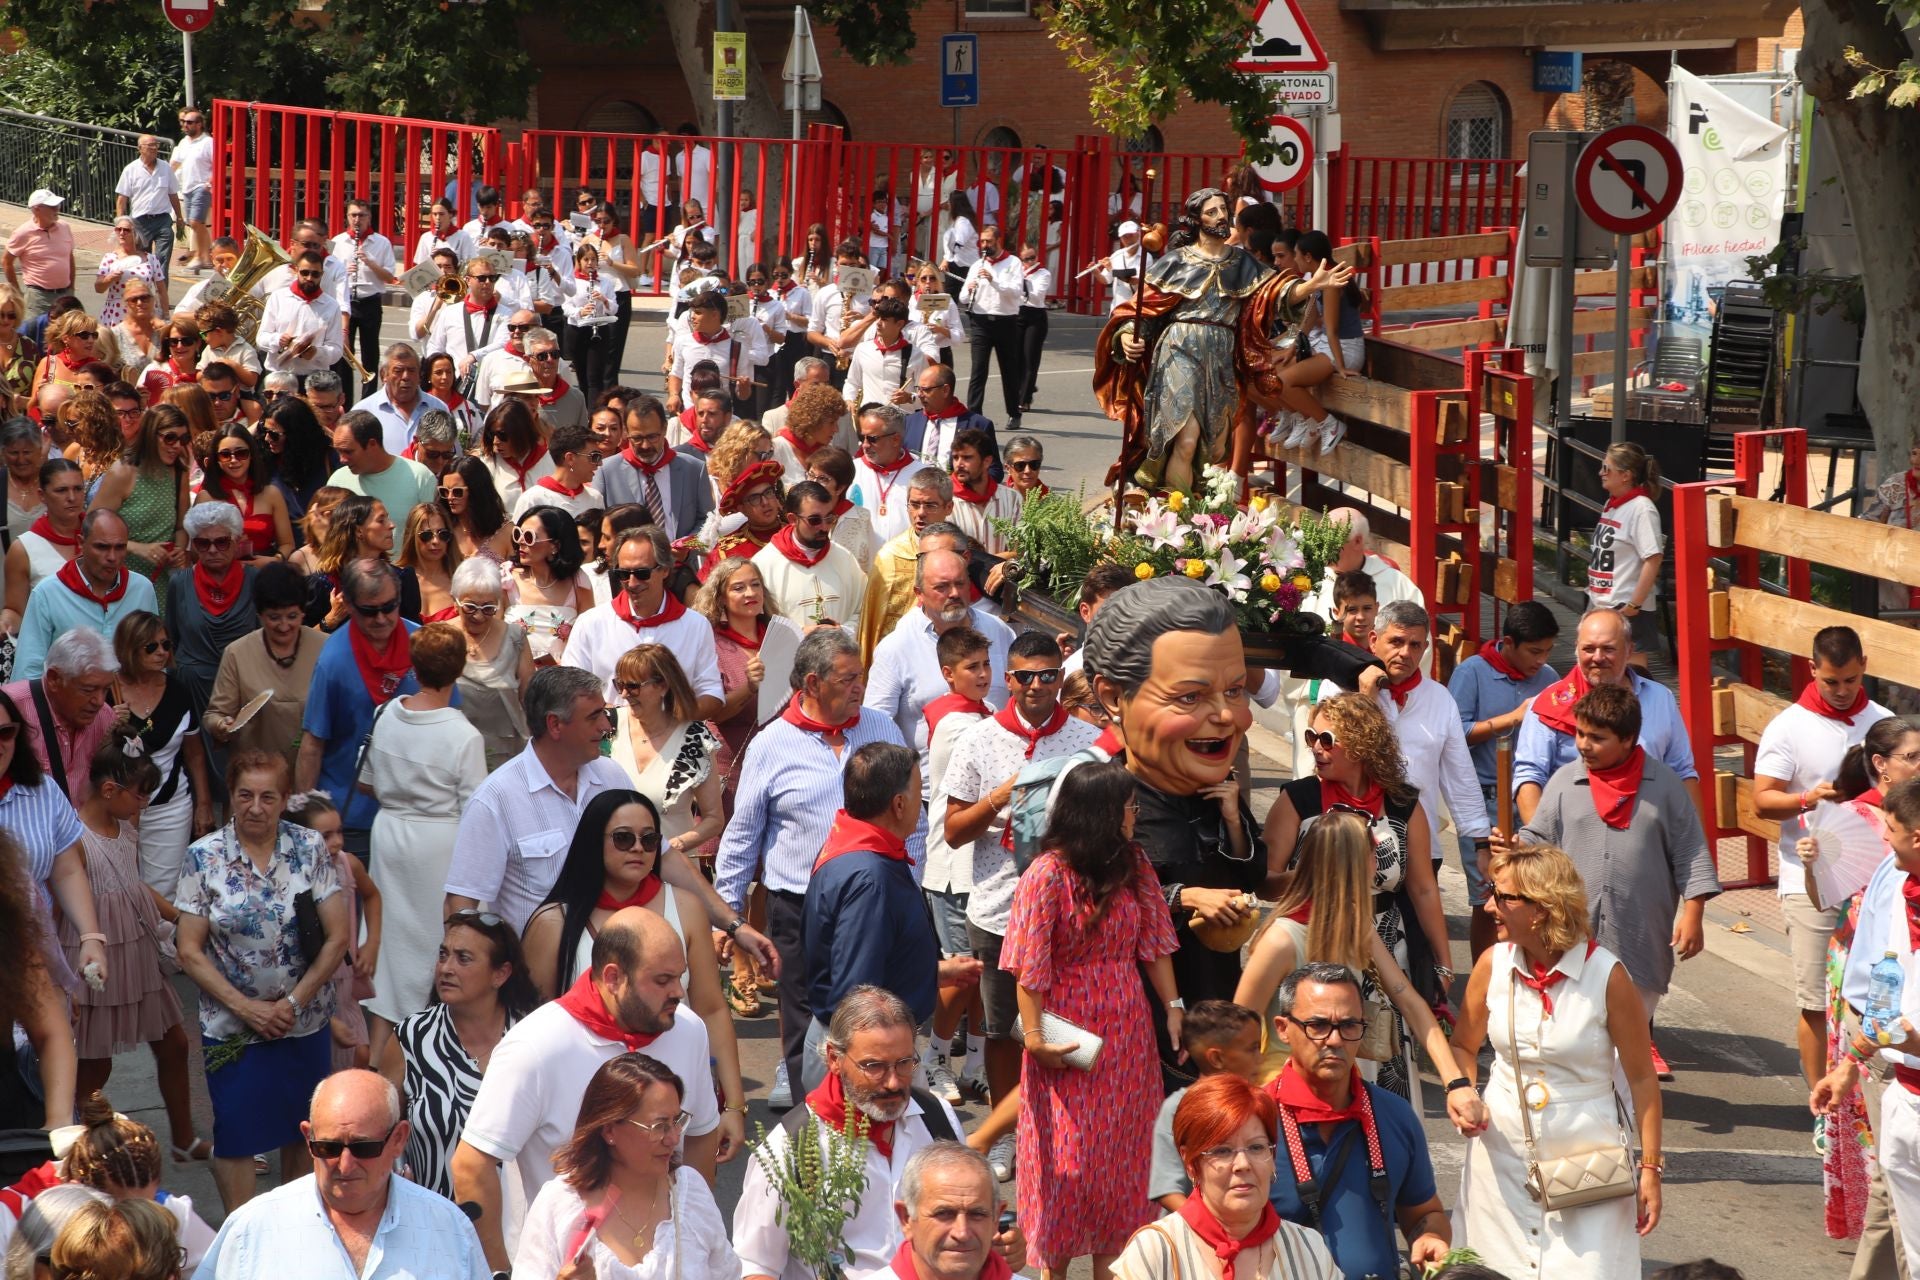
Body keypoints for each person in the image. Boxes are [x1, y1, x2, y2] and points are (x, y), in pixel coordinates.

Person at [1079, 578, 1380, 1085]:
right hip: (1128, 1017)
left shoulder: (1217, 788)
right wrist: (1183, 896)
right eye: (1191, 696)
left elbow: (1256, 877)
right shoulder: (1096, 793)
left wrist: (1312, 872)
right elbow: (1085, 897)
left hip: (1216, 1001)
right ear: (1113, 696)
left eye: (1235, 690)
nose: (1227, 716)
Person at [451, 909, 724, 1274]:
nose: (678, 992)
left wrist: (691, 1227)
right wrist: (498, 1272)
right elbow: (472, 1165)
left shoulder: (688, 1030)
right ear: (613, 977)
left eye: (680, 976)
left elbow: (702, 1134)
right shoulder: (536, 1046)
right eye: (662, 980)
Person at [1449, 843, 1666, 1278]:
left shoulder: (1608, 976)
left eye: (1505, 897)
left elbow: (1643, 1080)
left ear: (1544, 908)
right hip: (1502, 1157)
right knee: (1494, 1268)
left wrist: (1650, 1170)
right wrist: (1463, 1090)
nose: (1490, 906)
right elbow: (1463, 1048)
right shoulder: (1492, 964)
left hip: (1589, 1163)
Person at [715, 628, 908, 1108]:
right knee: (802, 1015)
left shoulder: (883, 729)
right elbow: (743, 833)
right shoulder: (772, 743)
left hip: (873, 902)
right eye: (847, 679)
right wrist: (728, 911)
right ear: (812, 683)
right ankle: (814, 1126)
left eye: (860, 676)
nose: (858, 686)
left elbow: (913, 819)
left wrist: (912, 884)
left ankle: (871, 1115)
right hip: (797, 904)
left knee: (872, 1012)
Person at [1001, 761, 1179, 1276]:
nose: (1136, 816)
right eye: (1130, 807)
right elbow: (1028, 967)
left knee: (1123, 1166)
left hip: (1128, 1032)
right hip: (1067, 1034)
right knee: (1068, 1163)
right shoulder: (1047, 874)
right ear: (1103, 813)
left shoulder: (1134, 862)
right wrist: (1034, 1038)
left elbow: (1156, 943)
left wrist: (1174, 1009)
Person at [1507, 681, 1721, 1078]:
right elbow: (1538, 839)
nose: (1583, 745)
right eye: (1580, 734)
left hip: (1640, 936)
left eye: (1597, 738)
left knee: (1625, 1051)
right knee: (1577, 1041)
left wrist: (1693, 913)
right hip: (1571, 935)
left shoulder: (1666, 788)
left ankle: (1624, 1126)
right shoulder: (1563, 783)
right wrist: (1517, 851)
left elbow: (1691, 851)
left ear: (1628, 740)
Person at [943, 631, 1097, 1171]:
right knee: (1004, 1031)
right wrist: (998, 798)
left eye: (1048, 675)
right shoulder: (978, 740)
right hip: (997, 910)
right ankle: (1007, 1134)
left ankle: (1061, 1124)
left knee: (1066, 1026)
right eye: (1025, 676)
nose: (1036, 686)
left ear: (1061, 677)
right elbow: (954, 832)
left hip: (1069, 917)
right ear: (1008, 679)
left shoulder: (1087, 741)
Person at [173, 749, 349, 1211]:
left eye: (268, 796)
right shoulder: (203, 857)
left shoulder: (308, 846)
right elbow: (189, 949)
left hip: (303, 1021)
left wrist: (292, 1002)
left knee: (303, 1129)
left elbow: (338, 936)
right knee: (236, 1132)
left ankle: (295, 1230)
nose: (255, 806)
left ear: (285, 798)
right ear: (230, 795)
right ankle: (240, 1236)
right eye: (245, 795)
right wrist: (248, 1008)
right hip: (234, 1026)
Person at [1262, 691, 1448, 1105]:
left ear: (1362, 743)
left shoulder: (1403, 804)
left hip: (1384, 941)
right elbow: (1266, 881)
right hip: (1314, 939)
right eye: (1311, 737)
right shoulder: (1298, 798)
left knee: (1384, 1050)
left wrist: (1442, 960)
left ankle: (1384, 1147)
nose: (1315, 747)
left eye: (1327, 739)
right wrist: (1314, 878)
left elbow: (1421, 888)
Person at [1096, 189, 1349, 493]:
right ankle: (1179, 518)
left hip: (1221, 358)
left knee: (1210, 449)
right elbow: (1142, 309)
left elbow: (1274, 296)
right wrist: (1126, 337)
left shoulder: (1243, 263)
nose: (1220, 216)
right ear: (1196, 219)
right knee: (1185, 439)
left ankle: (1185, 512)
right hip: (1180, 349)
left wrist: (1310, 286)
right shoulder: (1176, 261)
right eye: (1211, 211)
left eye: (1223, 210)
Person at [520, 786, 746, 1125]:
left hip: (674, 1100)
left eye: (650, 839)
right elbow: (529, 1029)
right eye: (623, 838)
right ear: (594, 843)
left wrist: (733, 1105)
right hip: (581, 1102)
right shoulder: (554, 923)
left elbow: (711, 1009)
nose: (638, 848)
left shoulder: (685, 908)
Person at [734, 987, 984, 1280]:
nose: (893, 1082)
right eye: (873, 1066)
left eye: (904, 1063)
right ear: (833, 1058)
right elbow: (755, 1266)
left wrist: (993, 1246)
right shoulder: (789, 1148)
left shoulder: (936, 1116)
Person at [1749, 625, 1894, 1114]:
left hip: (1878, 881)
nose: (1841, 690)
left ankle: (1869, 1099)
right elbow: (1762, 800)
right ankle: (1824, 1107)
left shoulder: (1885, 723)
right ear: (1812, 670)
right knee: (1815, 1001)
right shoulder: (1788, 726)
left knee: (1875, 996)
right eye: (1831, 681)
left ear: (1864, 668)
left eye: (1850, 680)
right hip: (1808, 879)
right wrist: (1809, 798)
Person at [1237, 811, 1465, 1093]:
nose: (1377, 865)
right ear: (1357, 865)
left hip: (1341, 1090)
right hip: (1283, 1095)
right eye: (1373, 854)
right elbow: (1238, 1030)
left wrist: (1456, 1082)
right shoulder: (1282, 939)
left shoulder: (1356, 924)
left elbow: (1408, 1000)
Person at [194, 1069, 489, 1280]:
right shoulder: (252, 1231)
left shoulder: (448, 1230)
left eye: (364, 1148)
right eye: (328, 1147)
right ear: (308, 1138)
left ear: (398, 1139)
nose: (345, 1165)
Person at [1262, 963, 1456, 1277]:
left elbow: (1424, 1212)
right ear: (1283, 1028)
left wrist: (1430, 1236)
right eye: (1318, 1025)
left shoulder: (1394, 1115)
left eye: (1349, 1025)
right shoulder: (1251, 1121)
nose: (1335, 1040)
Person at [67, 731, 203, 1161]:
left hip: (138, 951)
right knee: (94, 1064)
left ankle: (184, 1139)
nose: (144, 804)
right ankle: (72, 1147)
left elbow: (134, 884)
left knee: (175, 1044)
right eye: (140, 796)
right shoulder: (75, 838)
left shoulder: (125, 825)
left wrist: (179, 916)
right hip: (103, 957)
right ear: (110, 790)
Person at [802, 743, 970, 1091]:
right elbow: (857, 990)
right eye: (919, 791)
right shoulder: (870, 877)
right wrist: (883, 1073)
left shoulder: (858, 848)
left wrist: (935, 972)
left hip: (868, 1047)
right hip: (868, 1059)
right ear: (898, 804)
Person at [360, 623, 486, 1051]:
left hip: (389, 837)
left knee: (392, 954)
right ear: (459, 669)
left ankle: (379, 1061)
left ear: (414, 666)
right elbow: (477, 813)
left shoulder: (386, 714)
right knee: (436, 945)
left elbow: (366, 783)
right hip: (438, 846)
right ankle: (428, 1054)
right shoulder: (464, 735)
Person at [514, 1053, 740, 1280]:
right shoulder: (559, 1205)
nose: (673, 1138)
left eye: (677, 1121)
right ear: (609, 1130)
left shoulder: (690, 1191)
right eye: (659, 1126)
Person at [378, 912, 540, 1204]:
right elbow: (379, 1130)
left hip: (516, 1227)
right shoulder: (411, 1038)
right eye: (443, 955)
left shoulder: (533, 1038)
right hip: (431, 1219)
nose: (446, 968)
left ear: (500, 974)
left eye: (463, 958)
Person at [1115, 1074, 1341, 1280]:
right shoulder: (1155, 1252)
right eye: (1222, 1151)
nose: (1243, 1165)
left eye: (1256, 1148)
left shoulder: (1308, 1249)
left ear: (1272, 1156)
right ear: (1191, 1163)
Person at [294, 559, 433, 858]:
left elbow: (448, 717)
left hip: (414, 814)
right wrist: (307, 823)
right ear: (351, 607)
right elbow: (312, 744)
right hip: (351, 820)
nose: (382, 618)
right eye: (370, 611)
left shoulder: (422, 645)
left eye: (390, 606)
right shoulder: (332, 659)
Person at [1447, 600, 1561, 958]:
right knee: (1489, 895)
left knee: (1533, 891)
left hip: (1531, 801)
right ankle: (1485, 976)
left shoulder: (1550, 679)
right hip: (1484, 800)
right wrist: (1512, 718)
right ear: (1508, 643)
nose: (1541, 660)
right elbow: (1454, 733)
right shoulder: (1472, 673)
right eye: (1534, 651)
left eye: (1547, 651)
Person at [1513, 608, 1698, 824]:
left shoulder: (1660, 698)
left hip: (1651, 834)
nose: (1598, 658)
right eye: (1588, 649)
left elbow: (1683, 772)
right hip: (1572, 838)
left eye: (1608, 649)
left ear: (1630, 650)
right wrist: (1545, 847)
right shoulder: (1546, 706)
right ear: (1576, 649)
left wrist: (1696, 846)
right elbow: (1529, 778)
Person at [1367, 599, 1490, 881]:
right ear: (1374, 640)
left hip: (1420, 850)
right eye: (1396, 641)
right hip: (1357, 843)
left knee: (1418, 925)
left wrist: (1481, 843)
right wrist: (1365, 697)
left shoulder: (1440, 699)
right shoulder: (1341, 687)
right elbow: (1335, 755)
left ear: (1425, 648)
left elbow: (1460, 777)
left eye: (1415, 645)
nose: (1404, 653)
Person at [868, 548, 1014, 766]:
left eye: (960, 583)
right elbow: (877, 725)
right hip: (928, 792)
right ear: (919, 593)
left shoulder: (998, 630)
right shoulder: (896, 648)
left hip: (998, 777)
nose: (954, 593)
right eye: (942, 587)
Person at [562, 526, 723, 714]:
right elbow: (570, 691)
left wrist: (668, 721)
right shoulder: (590, 623)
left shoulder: (696, 625)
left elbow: (711, 692)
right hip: (610, 737)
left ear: (665, 570)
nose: (632, 583)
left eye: (642, 573)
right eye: (623, 574)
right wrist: (621, 720)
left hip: (675, 736)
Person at [107, 611, 213, 895]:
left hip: (170, 806)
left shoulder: (178, 691)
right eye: (151, 647)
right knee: (118, 887)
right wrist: (107, 724)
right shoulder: (107, 691)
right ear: (129, 648)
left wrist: (203, 803)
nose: (162, 653)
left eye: (166, 645)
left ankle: (163, 941)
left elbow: (195, 754)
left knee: (165, 891)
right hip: (117, 806)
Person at [52, 1094, 218, 1268]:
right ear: (85, 1192)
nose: (139, 1215)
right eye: (125, 1208)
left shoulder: (174, 1214)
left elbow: (216, 1268)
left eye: (149, 1202)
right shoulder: (58, 1221)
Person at [201, 562, 323, 777]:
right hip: (255, 778)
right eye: (274, 617)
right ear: (259, 615)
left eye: (292, 616)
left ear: (303, 613)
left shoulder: (325, 648)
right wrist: (222, 724)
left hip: (313, 775)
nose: (284, 626)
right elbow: (215, 714)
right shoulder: (237, 653)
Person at [606, 645, 724, 857]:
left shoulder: (695, 738)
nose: (624, 694)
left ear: (663, 686)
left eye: (633, 686)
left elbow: (714, 819)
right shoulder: (607, 726)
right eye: (619, 684)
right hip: (611, 868)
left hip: (670, 868)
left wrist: (672, 846)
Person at [13, 511, 160, 682]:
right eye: (102, 547)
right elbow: (28, 669)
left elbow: (155, 654)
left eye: (120, 547)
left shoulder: (142, 589)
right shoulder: (47, 593)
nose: (112, 557)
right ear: (81, 543)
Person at [1147, 1001, 1264, 1212]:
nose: (1260, 1058)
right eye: (1252, 1049)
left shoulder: (1259, 1103)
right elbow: (1167, 1190)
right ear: (1216, 1058)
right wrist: (1210, 1229)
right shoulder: (1179, 1108)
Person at [3, 628, 120, 813]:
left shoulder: (105, 717)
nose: (99, 701)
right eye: (88, 689)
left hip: (79, 837)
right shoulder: (10, 708)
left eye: (105, 689)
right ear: (54, 679)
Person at [449, 557, 533, 770]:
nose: (478, 616)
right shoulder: (440, 637)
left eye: (488, 608)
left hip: (507, 755)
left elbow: (530, 700)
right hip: (453, 753)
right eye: (470, 607)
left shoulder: (515, 638)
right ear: (455, 600)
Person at [753, 480, 868, 632]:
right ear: (793, 519)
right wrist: (800, 635)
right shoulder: (764, 564)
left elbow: (863, 611)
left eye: (829, 518)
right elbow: (758, 624)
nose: (824, 527)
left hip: (840, 651)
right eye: (815, 520)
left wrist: (842, 631)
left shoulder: (845, 559)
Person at [599, 395, 715, 541]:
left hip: (680, 561)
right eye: (637, 438)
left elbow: (708, 522)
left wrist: (688, 546)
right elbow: (598, 528)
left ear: (665, 428)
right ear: (626, 432)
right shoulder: (606, 472)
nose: (645, 445)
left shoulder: (694, 469)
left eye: (652, 437)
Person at [1588, 442, 1665, 659]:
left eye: (1606, 468)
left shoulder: (1642, 509)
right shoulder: (1612, 505)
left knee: (1632, 675)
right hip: (1602, 602)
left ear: (1625, 475)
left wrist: (1634, 604)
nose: (1600, 473)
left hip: (1626, 606)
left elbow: (1653, 557)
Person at [2, 459, 85, 635]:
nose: (72, 497)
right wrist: (6, 623)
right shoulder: (23, 549)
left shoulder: (101, 537)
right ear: (42, 495)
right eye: (61, 490)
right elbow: (16, 611)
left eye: (78, 489)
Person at [958, 224, 1026, 431]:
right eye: (982, 242)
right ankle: (974, 415)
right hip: (980, 322)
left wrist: (994, 281)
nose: (984, 245)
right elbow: (961, 297)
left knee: (1009, 371)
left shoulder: (1013, 263)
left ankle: (1014, 413)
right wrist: (969, 290)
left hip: (1006, 322)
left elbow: (1016, 292)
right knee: (978, 370)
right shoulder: (977, 264)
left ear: (998, 241)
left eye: (988, 241)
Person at [505, 505, 593, 665]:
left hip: (562, 680)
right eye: (518, 534)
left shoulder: (579, 582)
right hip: (514, 677)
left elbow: (589, 637)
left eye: (530, 537)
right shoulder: (506, 579)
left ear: (555, 546)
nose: (521, 542)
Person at [194, 428, 293, 562]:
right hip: (222, 574)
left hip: (266, 574)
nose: (233, 460)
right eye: (225, 455)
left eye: (241, 453)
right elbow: (195, 551)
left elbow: (287, 544)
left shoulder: (271, 494)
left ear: (251, 454)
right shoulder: (205, 498)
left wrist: (275, 560)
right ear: (216, 459)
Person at [326, 409, 438, 520]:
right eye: (338, 451)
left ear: (372, 444)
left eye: (348, 452)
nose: (342, 459)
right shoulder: (337, 481)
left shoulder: (421, 478)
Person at [849, 403, 933, 548]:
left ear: (895, 439)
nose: (865, 445)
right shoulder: (850, 471)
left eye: (872, 439)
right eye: (863, 438)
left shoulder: (924, 475)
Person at [5, 191, 77, 323]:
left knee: (66, 338)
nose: (57, 209)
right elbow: (6, 262)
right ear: (37, 209)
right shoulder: (23, 232)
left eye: (58, 205)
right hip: (38, 298)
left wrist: (71, 287)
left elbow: (69, 258)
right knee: (34, 338)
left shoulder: (65, 227)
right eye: (52, 207)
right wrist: (17, 293)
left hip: (64, 295)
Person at [946, 428, 1021, 555]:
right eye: (955, 458)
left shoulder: (1012, 499)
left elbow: (1020, 549)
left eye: (967, 458)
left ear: (987, 461)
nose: (959, 464)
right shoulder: (945, 501)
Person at [441, 454, 515, 569]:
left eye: (457, 492)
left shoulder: (506, 532)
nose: (450, 497)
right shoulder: (442, 529)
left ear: (476, 491)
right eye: (445, 491)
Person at [771, 381, 846, 485]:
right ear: (814, 421)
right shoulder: (776, 449)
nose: (836, 429)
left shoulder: (827, 453)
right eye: (831, 423)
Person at [396, 502, 460, 623]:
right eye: (427, 535)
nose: (436, 541)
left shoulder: (462, 578)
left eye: (443, 534)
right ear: (412, 537)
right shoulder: (396, 578)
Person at [1002, 434, 1048, 500]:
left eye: (1034, 464)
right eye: (1020, 465)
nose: (1027, 470)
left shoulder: (1053, 503)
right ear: (1008, 469)